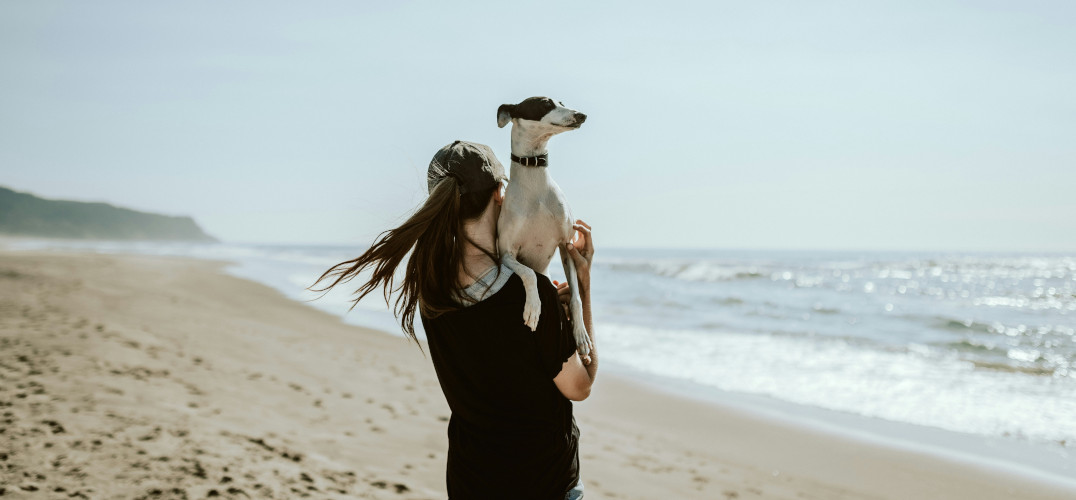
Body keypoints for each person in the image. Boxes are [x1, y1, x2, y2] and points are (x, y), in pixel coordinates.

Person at [310, 140, 597, 499]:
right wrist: (582, 290)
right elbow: (580, 386)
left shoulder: (430, 288)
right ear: (500, 194)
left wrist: (554, 315)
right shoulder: (528, 292)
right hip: (545, 483)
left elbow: (493, 347)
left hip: (471, 482)